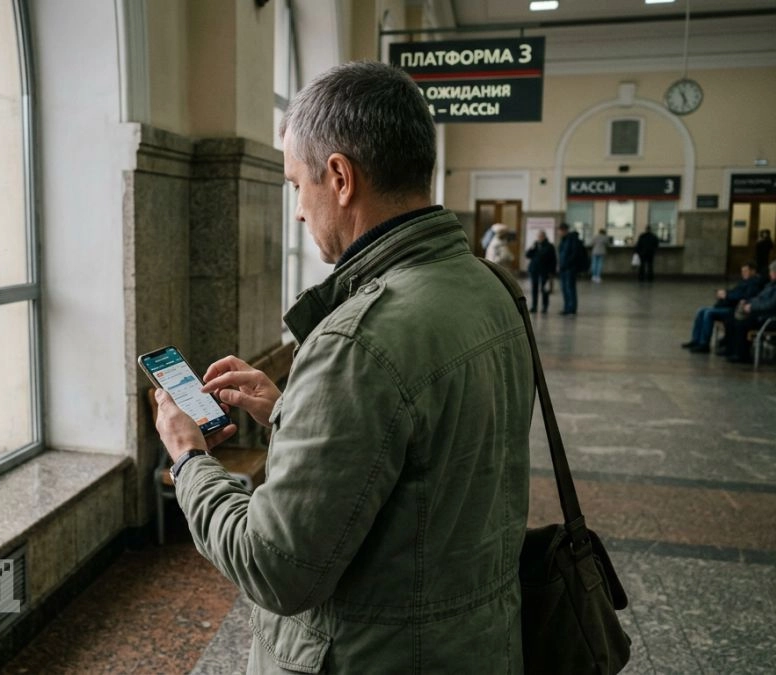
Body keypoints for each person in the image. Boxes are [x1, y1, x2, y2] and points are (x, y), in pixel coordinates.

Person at [152, 62, 533, 673]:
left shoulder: (359, 342)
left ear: (339, 177)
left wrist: (188, 458)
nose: (299, 212)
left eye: (296, 185)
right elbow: (428, 453)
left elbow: (273, 567)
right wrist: (292, 412)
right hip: (477, 645)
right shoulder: (491, 287)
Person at [723, 260, 776, 363]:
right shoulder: (772, 284)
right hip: (763, 315)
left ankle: (741, 354)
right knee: (731, 318)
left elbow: (772, 305)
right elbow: (759, 298)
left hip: (773, 319)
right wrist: (748, 303)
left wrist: (752, 307)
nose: (770, 274)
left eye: (771, 271)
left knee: (742, 323)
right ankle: (731, 350)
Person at [681, 262, 765, 353]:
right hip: (730, 304)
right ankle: (696, 340)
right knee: (701, 310)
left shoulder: (755, 283)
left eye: (746, 271)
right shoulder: (745, 281)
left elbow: (745, 296)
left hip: (735, 309)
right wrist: (725, 293)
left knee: (708, 313)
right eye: (742, 271)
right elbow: (735, 292)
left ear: (753, 271)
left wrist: (726, 295)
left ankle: (704, 343)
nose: (743, 273)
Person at [526, 229, 557, 314]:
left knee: (545, 289)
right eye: (538, 236)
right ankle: (534, 306)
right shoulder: (535, 245)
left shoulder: (549, 246)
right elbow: (528, 255)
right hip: (534, 269)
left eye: (540, 236)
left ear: (544, 237)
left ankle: (544, 307)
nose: (539, 238)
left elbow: (553, 260)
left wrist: (552, 272)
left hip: (544, 270)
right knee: (534, 288)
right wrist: (532, 248)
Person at [557, 222, 583, 315]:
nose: (558, 233)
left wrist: (567, 263)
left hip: (570, 268)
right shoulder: (564, 240)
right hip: (563, 268)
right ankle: (566, 308)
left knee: (570, 288)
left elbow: (574, 254)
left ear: (564, 230)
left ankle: (572, 309)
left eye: (559, 231)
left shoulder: (572, 239)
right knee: (564, 288)